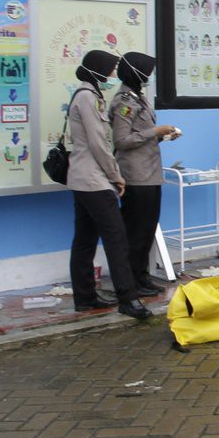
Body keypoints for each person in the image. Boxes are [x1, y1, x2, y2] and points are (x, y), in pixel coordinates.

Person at [64, 49, 150, 320]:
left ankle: (85, 297)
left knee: (85, 239)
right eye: (111, 68)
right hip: (93, 180)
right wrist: (116, 175)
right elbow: (98, 144)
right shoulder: (88, 98)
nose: (114, 74)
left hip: (82, 178)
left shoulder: (85, 94)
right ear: (98, 69)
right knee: (117, 238)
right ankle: (128, 298)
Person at [111, 52, 177, 296]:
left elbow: (144, 136)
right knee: (135, 231)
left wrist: (162, 135)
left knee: (147, 229)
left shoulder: (139, 98)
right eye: (146, 72)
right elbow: (122, 140)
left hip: (151, 173)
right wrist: (154, 131)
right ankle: (130, 282)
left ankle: (142, 276)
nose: (149, 77)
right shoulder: (123, 103)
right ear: (135, 73)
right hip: (135, 175)